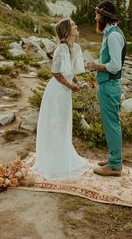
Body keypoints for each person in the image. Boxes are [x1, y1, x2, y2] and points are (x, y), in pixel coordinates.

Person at [30, 18, 90, 180]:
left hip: (65, 91)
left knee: (64, 123)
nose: (76, 26)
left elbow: (69, 70)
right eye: (73, 25)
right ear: (66, 31)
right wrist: (72, 87)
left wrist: (77, 82)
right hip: (57, 92)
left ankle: (62, 155)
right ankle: (53, 161)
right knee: (56, 123)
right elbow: (56, 73)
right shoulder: (61, 49)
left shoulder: (73, 47)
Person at [87, 0, 126, 177]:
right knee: (110, 123)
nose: (95, 17)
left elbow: (115, 66)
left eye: (97, 14)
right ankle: (113, 158)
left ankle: (115, 165)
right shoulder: (110, 33)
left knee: (111, 124)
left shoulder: (113, 36)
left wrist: (97, 66)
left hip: (109, 86)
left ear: (104, 16)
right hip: (108, 85)